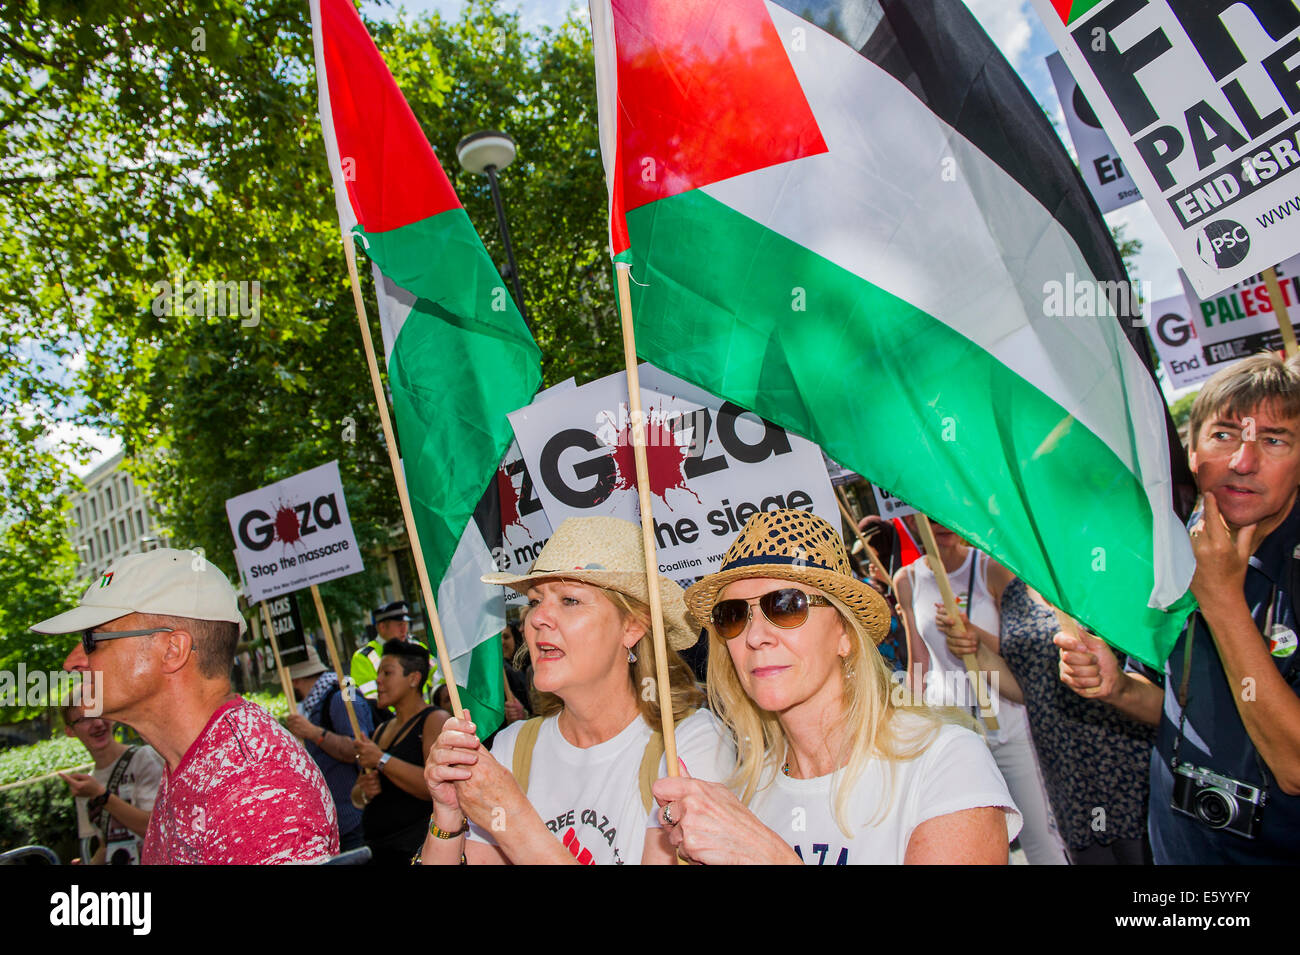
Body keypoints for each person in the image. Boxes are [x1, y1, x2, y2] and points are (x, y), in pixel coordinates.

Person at [653, 509, 1022, 865]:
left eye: (785, 606)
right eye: (732, 615)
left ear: (844, 634)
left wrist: (766, 856)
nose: (755, 636)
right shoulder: (745, 794)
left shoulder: (944, 762)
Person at [1059, 353, 1300, 863]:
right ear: (1192, 453)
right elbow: (1172, 707)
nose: (1243, 461)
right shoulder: (1170, 554)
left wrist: (1222, 600)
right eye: (1225, 435)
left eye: (1274, 440)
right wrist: (1118, 686)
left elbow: (1294, 767)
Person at [421, 516, 735, 865]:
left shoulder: (687, 745)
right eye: (536, 600)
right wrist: (447, 817)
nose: (538, 618)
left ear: (631, 627)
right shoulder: (515, 746)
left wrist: (511, 814)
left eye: (569, 600)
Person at [34, 548, 338, 864]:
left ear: (172, 650)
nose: (73, 663)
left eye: (91, 640)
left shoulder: (256, 792)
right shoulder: (196, 758)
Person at [893, 517, 1067, 865]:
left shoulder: (991, 567)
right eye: (927, 515)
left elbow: (1023, 649)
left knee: (1043, 842)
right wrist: (908, 722)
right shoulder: (907, 580)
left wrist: (975, 637)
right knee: (971, 847)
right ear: (913, 519)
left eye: (943, 512)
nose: (939, 523)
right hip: (953, 732)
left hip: (1009, 727)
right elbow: (919, 659)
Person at [944, 579, 1155, 863]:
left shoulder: (1107, 571)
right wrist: (977, 651)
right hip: (1068, 784)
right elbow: (1026, 689)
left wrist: (1117, 685)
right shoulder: (1016, 592)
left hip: (1131, 775)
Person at [354, 640, 448, 865]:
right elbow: (357, 796)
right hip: (377, 850)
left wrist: (381, 759)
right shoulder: (381, 730)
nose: (378, 680)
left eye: (387, 673)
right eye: (379, 674)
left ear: (414, 679)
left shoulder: (434, 720)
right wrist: (364, 792)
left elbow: (436, 787)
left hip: (416, 850)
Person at [284, 645, 375, 851]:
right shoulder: (317, 704)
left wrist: (314, 733)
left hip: (354, 819)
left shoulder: (339, 699)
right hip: (340, 822)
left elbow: (360, 750)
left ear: (296, 680)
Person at [59, 702, 164, 865]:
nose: (98, 724)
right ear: (70, 731)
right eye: (85, 719)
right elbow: (106, 845)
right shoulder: (85, 786)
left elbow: (157, 829)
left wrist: (101, 796)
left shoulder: (145, 758)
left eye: (100, 713)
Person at [350, 600, 438, 706]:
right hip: (392, 720)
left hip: (424, 715)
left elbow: (439, 676)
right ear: (382, 627)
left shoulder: (416, 647)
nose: (404, 629)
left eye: (406, 623)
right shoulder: (362, 658)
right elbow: (372, 700)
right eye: (399, 624)